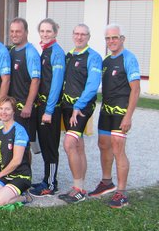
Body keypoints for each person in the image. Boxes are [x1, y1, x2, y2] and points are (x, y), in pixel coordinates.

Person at [91, 24, 141, 208]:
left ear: (122, 39)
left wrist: (128, 116)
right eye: (108, 38)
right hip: (106, 109)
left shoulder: (129, 58)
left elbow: (135, 90)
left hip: (121, 111)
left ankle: (122, 192)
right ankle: (106, 182)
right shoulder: (106, 61)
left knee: (118, 148)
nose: (111, 41)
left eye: (114, 37)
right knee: (103, 144)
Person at [58, 24, 103, 204]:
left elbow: (93, 86)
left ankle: (78, 189)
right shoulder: (69, 56)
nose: (79, 37)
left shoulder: (93, 57)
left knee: (69, 144)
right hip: (67, 106)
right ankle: (80, 186)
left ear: (88, 37)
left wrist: (79, 105)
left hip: (81, 107)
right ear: (72, 35)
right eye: (76, 33)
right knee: (78, 145)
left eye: (83, 34)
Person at [30, 18, 66, 197]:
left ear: (55, 32)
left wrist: (49, 110)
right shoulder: (44, 50)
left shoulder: (56, 52)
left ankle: (51, 184)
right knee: (43, 145)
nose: (45, 34)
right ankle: (46, 179)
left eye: (48, 32)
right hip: (41, 105)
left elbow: (56, 84)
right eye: (42, 31)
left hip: (50, 107)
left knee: (50, 147)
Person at [0, 96, 33, 206]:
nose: (3, 112)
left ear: (13, 111)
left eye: (7, 109)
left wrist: (0, 174)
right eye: (1, 108)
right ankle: (6, 191)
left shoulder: (19, 130)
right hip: (5, 176)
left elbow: (17, 161)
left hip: (20, 175)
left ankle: (25, 197)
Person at [8, 17, 41, 142]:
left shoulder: (31, 53)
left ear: (26, 32)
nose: (14, 34)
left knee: (24, 143)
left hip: (24, 107)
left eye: (18, 31)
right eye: (12, 31)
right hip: (13, 105)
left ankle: (25, 163)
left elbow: (36, 80)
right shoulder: (12, 51)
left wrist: (28, 105)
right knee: (13, 141)